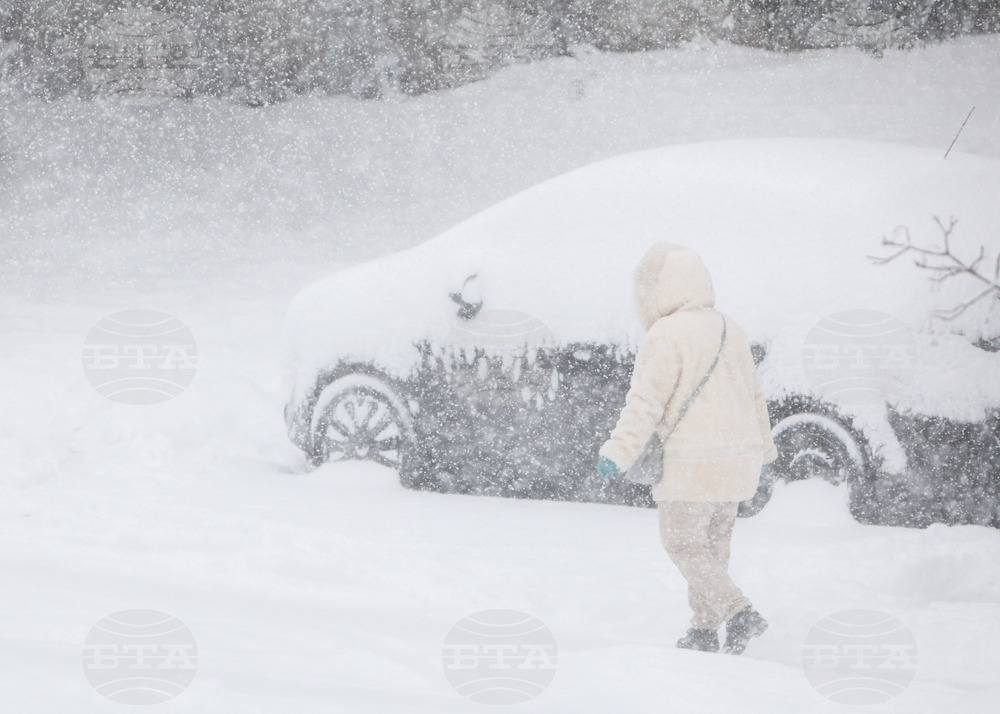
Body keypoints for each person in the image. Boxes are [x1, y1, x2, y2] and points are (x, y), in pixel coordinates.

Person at [596, 243, 777, 655]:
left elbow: (644, 404)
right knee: (712, 551)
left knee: (682, 544)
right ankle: (703, 631)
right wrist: (764, 453)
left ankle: (739, 611)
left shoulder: (665, 334)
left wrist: (618, 452)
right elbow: (755, 396)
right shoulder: (731, 328)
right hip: (737, 463)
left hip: (693, 465)